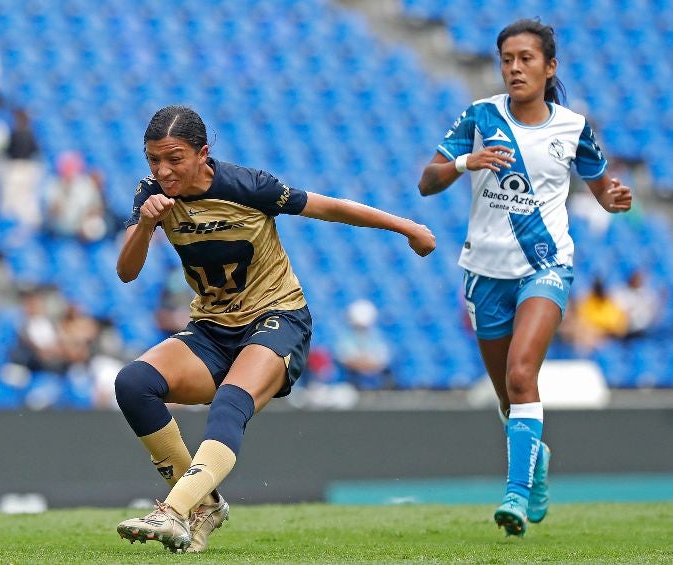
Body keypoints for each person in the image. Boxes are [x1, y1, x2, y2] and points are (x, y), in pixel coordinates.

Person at [115, 104, 435, 553]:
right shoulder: (151, 195)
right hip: (211, 326)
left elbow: (331, 208)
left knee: (230, 402)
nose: (163, 171)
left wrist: (407, 228)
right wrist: (146, 225)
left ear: (203, 153)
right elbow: (126, 272)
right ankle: (204, 504)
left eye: (174, 158)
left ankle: (173, 511)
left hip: (277, 318)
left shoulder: (248, 186)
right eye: (154, 160)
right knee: (132, 384)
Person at [416, 19, 632, 537]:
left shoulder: (573, 128)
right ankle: (535, 462)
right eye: (507, 58)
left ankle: (514, 495)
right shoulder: (480, 115)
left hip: (545, 266)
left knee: (521, 373)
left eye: (526, 58)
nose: (515, 67)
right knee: (508, 397)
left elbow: (602, 189)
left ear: (549, 67)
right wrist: (468, 160)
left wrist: (616, 198)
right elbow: (426, 182)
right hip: (484, 273)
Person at [334, 299, 392, 390]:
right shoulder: (346, 337)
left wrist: (367, 365)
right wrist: (362, 364)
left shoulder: (376, 337)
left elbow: (382, 360)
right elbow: (345, 358)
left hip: (374, 379)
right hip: (351, 379)